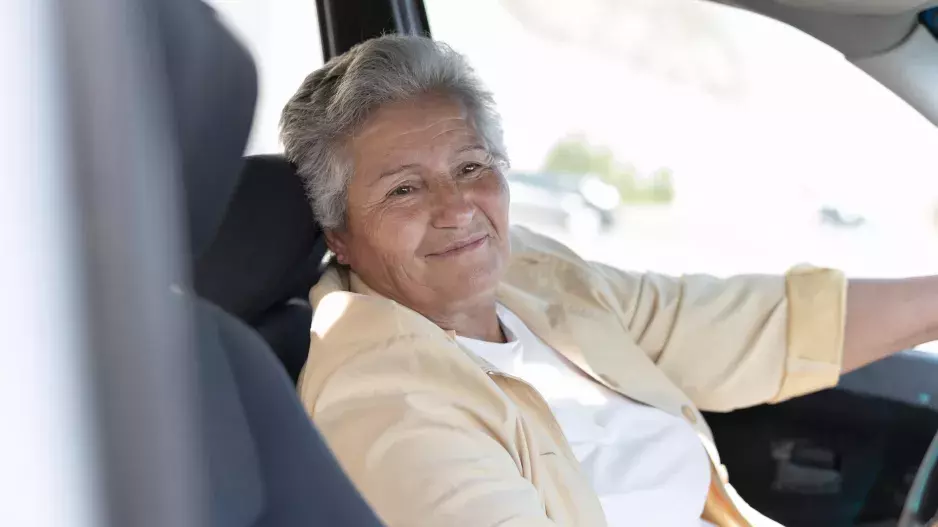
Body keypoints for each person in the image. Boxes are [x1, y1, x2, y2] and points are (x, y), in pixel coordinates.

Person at [279, 35, 938, 527]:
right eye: (404, 188)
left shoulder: (530, 275)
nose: (457, 208)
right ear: (339, 234)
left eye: (471, 166)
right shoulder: (384, 405)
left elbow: (738, 325)